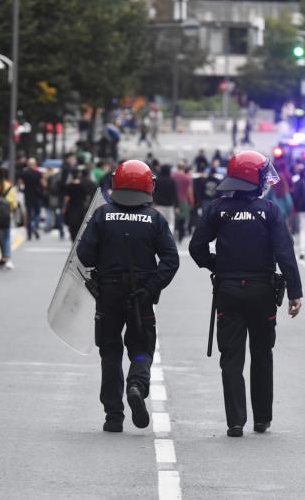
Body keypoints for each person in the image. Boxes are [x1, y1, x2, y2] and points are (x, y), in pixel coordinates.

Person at [189, 150, 303, 437]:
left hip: (227, 290)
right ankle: (262, 419)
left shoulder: (217, 209)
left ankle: (235, 422)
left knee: (231, 358)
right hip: (262, 291)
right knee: (262, 354)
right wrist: (295, 292)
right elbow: (285, 253)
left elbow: (196, 248)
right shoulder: (269, 211)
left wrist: (217, 265)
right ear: (255, 179)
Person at [76, 160, 179, 432]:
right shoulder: (155, 219)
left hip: (108, 294)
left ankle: (113, 416)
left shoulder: (102, 215)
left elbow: (84, 255)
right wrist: (152, 287)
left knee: (110, 352)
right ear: (148, 186)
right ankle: (137, 384)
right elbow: (171, 260)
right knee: (141, 349)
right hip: (141, 295)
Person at [63, 168, 91, 241]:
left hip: (71, 208)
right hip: (80, 208)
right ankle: (77, 239)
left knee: (72, 226)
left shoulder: (69, 186)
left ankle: (73, 240)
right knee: (79, 225)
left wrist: (64, 207)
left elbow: (67, 199)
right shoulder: (83, 186)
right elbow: (87, 197)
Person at [20, 158, 44, 241]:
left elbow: (20, 183)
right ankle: (35, 225)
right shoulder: (38, 173)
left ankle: (29, 233)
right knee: (37, 213)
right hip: (37, 196)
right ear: (34, 164)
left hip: (28, 196)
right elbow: (43, 184)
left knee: (29, 214)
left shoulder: (24, 173)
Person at [172, 163, 194, 242]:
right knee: (183, 218)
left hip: (174, 201)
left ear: (177, 167)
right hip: (184, 200)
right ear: (183, 168)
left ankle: (176, 231)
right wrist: (191, 201)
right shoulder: (187, 177)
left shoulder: (173, 176)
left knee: (175, 217)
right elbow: (189, 191)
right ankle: (181, 234)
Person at [153, 164, 177, 235]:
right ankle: (169, 236)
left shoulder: (158, 180)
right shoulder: (172, 181)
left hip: (159, 205)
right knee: (170, 223)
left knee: (158, 222)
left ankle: (158, 236)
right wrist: (177, 206)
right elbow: (174, 194)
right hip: (169, 205)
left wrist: (153, 201)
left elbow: (154, 192)